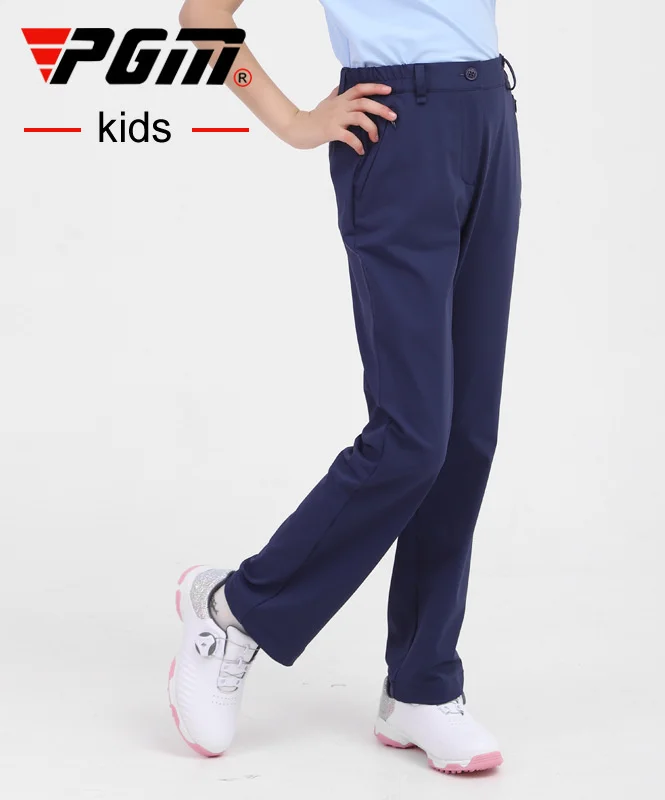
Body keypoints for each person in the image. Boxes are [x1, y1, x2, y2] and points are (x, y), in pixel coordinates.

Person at [168, 0, 521, 774]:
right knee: (412, 437)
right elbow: (203, 18)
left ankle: (423, 685)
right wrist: (295, 122)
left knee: (466, 435)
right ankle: (234, 610)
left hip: (489, 113)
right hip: (397, 129)